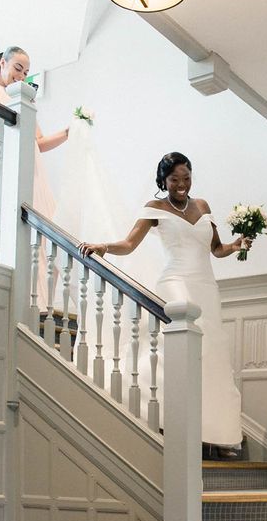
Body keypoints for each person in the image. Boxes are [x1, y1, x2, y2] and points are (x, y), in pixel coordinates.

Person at [79, 152, 247, 457]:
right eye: (174, 179)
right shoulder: (155, 208)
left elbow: (216, 249)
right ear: (163, 181)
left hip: (206, 284)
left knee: (212, 354)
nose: (181, 184)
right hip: (175, 280)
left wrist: (236, 246)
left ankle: (215, 434)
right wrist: (103, 246)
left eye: (186, 177)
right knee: (185, 346)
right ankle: (169, 419)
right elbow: (129, 244)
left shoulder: (203, 206)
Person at [0, 46, 69, 308]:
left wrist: (69, 132)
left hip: (31, 168)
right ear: (2, 63)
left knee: (43, 235)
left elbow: (39, 141)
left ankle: (40, 300)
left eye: (26, 73)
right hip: (4, 163)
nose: (21, 76)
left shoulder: (25, 99)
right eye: (18, 68)